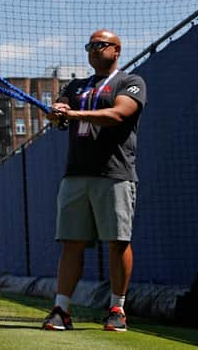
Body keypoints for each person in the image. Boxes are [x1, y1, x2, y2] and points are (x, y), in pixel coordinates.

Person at [44, 29, 147, 332]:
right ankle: (61, 310)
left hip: (114, 174)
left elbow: (118, 114)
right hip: (75, 175)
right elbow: (59, 110)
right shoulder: (75, 86)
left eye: (100, 45)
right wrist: (58, 112)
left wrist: (72, 114)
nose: (93, 50)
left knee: (118, 242)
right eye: (89, 45)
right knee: (71, 243)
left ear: (117, 50)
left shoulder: (131, 82)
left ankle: (117, 309)